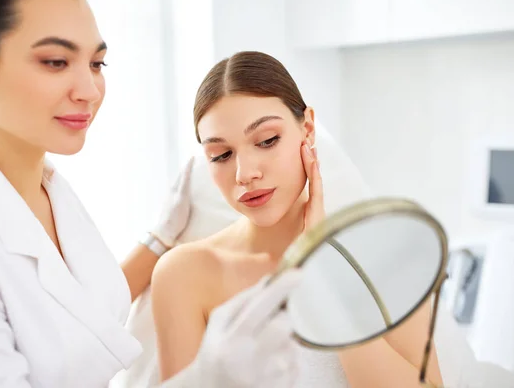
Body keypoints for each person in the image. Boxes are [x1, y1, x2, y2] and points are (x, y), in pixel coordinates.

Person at [0, 0, 305, 387]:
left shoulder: (47, 189)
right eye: (55, 62)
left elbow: (86, 317)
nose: (89, 90)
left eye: (97, 63)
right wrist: (206, 379)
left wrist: (160, 238)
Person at [151, 51, 445, 388]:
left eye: (267, 140)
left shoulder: (386, 256)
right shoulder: (184, 274)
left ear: (307, 129)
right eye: (221, 155)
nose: (245, 174)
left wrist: (323, 276)